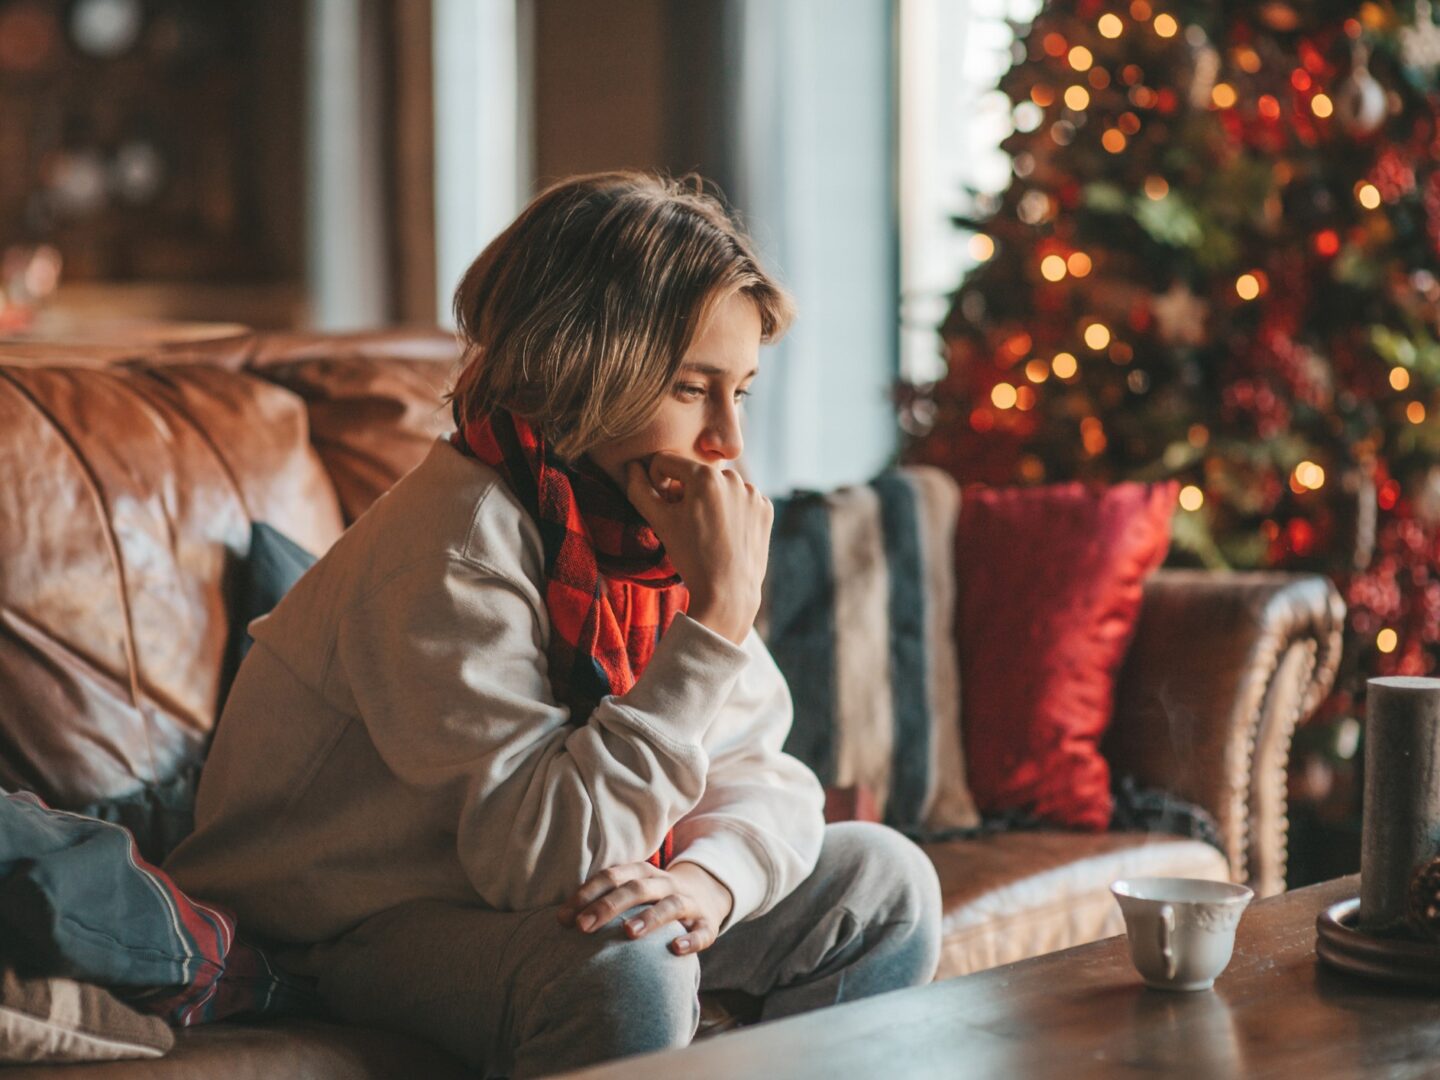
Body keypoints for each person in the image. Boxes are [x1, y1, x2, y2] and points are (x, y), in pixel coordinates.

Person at [165, 171, 942, 1078]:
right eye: (694, 389)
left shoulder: (641, 533)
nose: (728, 439)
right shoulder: (454, 547)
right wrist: (719, 617)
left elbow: (758, 767)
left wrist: (707, 883)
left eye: (744, 392)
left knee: (885, 884)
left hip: (519, 895)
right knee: (626, 968)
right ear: (589, 365)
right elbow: (542, 864)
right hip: (346, 925)